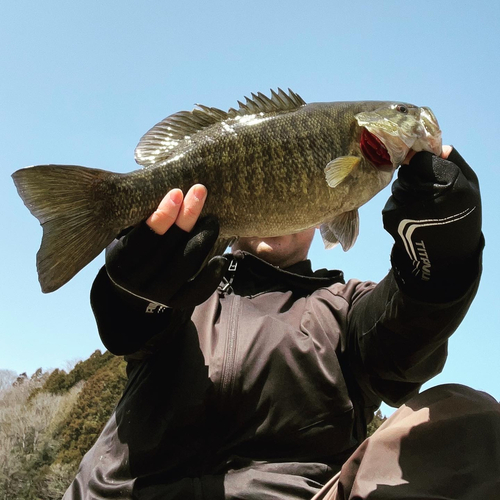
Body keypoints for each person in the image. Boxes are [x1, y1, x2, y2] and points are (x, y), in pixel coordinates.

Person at [63, 146, 500, 499]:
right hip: (122, 493)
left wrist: (444, 255)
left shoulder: (347, 309)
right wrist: (130, 292)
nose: (278, 199)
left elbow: (412, 324)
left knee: (468, 418)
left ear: (327, 209)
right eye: (266, 186)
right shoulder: (184, 290)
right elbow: (127, 330)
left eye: (296, 187)